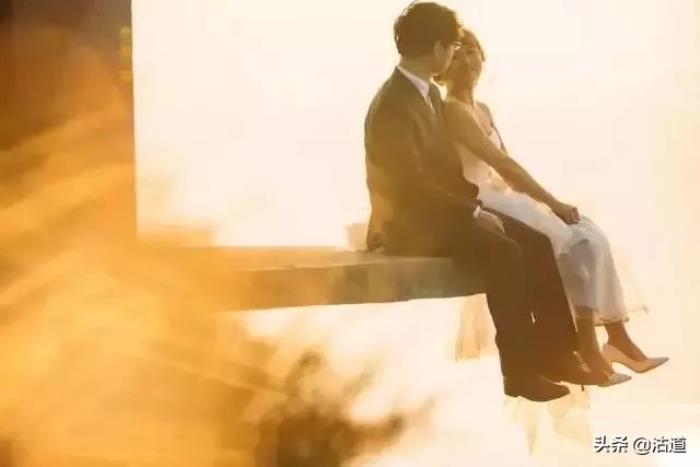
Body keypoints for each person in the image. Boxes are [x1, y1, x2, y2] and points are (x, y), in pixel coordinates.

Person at [364, 2, 605, 402]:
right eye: (452, 46)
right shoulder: (393, 103)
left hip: (441, 211)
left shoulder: (426, 93)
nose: (454, 55)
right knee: (505, 253)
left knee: (536, 242)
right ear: (438, 48)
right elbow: (409, 185)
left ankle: (558, 354)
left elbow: (445, 172)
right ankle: (519, 373)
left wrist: (476, 206)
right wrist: (473, 212)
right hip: (411, 224)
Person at [438, 28, 668, 383]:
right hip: (481, 200)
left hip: (503, 194)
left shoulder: (483, 109)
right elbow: (503, 164)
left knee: (591, 236)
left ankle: (617, 338)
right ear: (441, 67)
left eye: (471, 51)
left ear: (482, 56)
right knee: (570, 244)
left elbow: (508, 171)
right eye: (456, 54)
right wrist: (551, 202)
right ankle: (587, 348)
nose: (466, 60)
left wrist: (542, 202)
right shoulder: (453, 110)